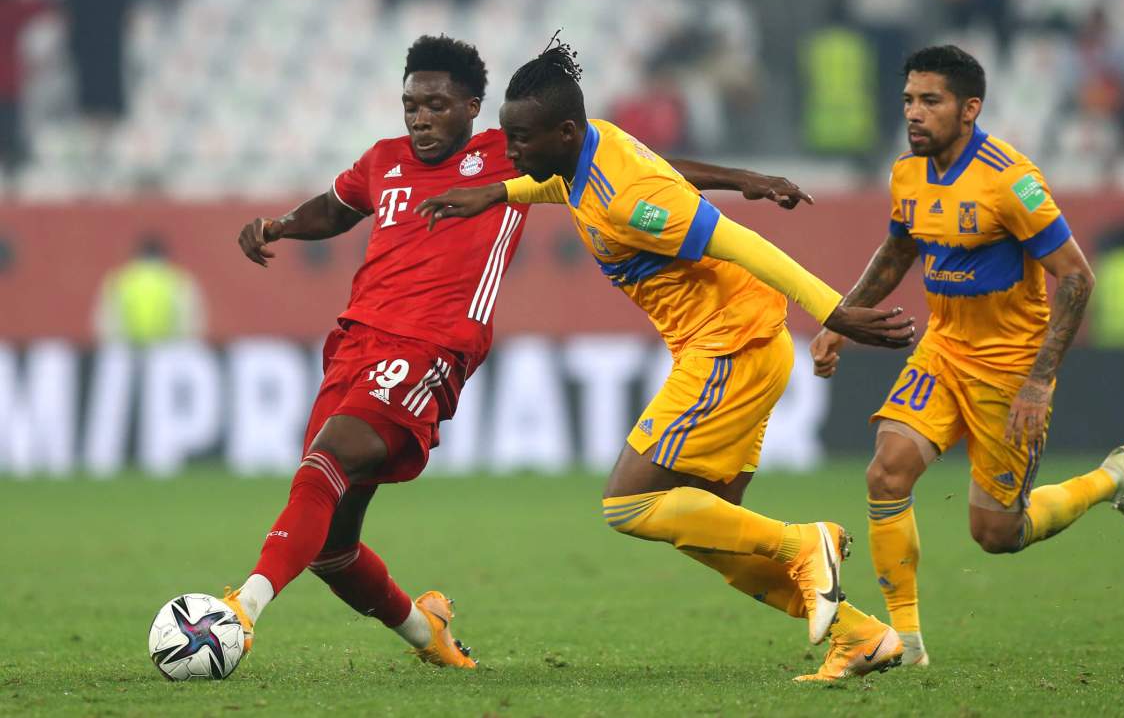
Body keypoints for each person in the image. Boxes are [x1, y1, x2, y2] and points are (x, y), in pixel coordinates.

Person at [222, 35, 839, 672]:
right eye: (410, 104)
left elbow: (644, 167)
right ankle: (425, 630)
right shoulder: (384, 160)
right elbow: (337, 207)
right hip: (354, 341)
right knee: (328, 544)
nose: (420, 117)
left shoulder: (516, 149)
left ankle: (239, 611)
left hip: (431, 346)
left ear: (472, 107)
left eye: (436, 104)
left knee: (328, 460)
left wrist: (746, 182)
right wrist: (280, 225)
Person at [417, 37, 918, 682]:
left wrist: (833, 309)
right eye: (508, 138)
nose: (511, 152)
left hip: (727, 346)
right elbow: (646, 173)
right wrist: (499, 194)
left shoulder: (626, 199)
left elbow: (740, 242)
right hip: (745, 346)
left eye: (522, 140)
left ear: (566, 131)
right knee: (711, 533)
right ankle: (859, 636)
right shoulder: (591, 145)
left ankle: (805, 542)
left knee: (627, 506)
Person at [807, 45, 1124, 673]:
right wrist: (843, 319)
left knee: (998, 534)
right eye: (909, 100)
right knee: (885, 473)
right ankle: (907, 644)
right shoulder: (907, 173)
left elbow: (1077, 280)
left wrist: (1039, 380)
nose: (914, 113)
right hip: (943, 348)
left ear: (970, 109)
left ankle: (1113, 478)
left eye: (930, 101)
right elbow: (897, 253)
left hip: (1009, 365)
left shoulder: (1010, 180)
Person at [93, 236, 206, 344]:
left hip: (128, 349)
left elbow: (105, 322)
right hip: (167, 348)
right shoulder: (177, 279)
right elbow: (191, 321)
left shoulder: (121, 280)